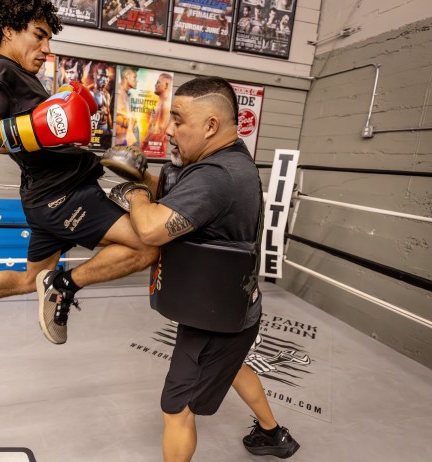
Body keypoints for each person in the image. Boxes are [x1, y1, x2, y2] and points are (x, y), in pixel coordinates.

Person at [0, 0, 158, 349]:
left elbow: (40, 134)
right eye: (39, 36)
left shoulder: (21, 77)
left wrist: (57, 115)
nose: (46, 49)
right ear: (9, 30)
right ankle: (64, 286)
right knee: (146, 246)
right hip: (66, 196)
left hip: (46, 197)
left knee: (30, 279)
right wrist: (35, 129)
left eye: (49, 39)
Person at [117, 76, 299, 460]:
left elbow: (150, 229)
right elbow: (185, 197)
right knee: (231, 366)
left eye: (179, 120)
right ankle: (273, 434)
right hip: (232, 306)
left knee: (176, 407)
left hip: (215, 320)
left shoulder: (216, 177)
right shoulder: (232, 158)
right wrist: (145, 178)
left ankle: (272, 434)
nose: (170, 129)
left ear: (211, 125)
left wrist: (132, 194)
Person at [141, 73, 172, 157]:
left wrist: (143, 147)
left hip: (157, 152)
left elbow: (160, 132)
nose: (155, 85)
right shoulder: (161, 103)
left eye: (158, 82)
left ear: (166, 85)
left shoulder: (165, 105)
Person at [115, 66, 139, 147]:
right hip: (118, 144)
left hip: (124, 143)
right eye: (134, 77)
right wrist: (130, 119)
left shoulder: (126, 94)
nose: (136, 80)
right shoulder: (118, 92)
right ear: (126, 75)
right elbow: (113, 118)